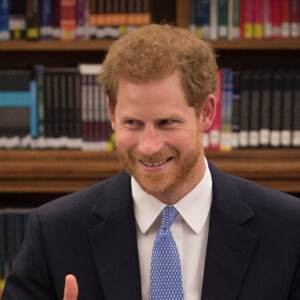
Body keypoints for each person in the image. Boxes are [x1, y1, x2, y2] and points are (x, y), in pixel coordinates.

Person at [2, 24, 300, 300]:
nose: (149, 146)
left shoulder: (289, 229)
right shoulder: (54, 232)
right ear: (111, 114)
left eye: (167, 122)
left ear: (206, 112)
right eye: (132, 122)